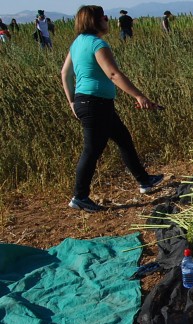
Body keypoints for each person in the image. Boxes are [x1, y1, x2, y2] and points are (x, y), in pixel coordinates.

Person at [60, 5, 164, 213]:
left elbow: (65, 74)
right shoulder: (98, 44)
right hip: (94, 103)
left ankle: (144, 181)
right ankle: (80, 196)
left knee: (123, 138)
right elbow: (113, 75)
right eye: (104, 17)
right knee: (91, 150)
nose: (107, 20)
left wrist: (72, 102)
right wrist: (139, 96)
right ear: (95, 21)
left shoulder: (77, 43)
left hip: (89, 102)